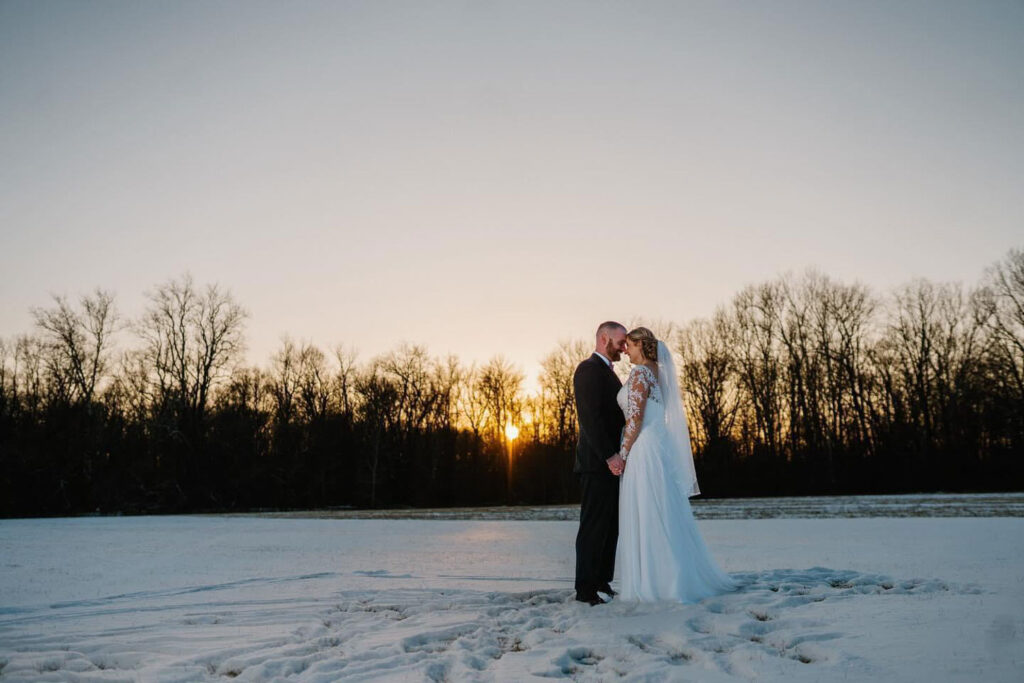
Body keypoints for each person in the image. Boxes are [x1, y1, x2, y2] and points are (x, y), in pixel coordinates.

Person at [613, 326, 739, 603]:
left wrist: (622, 453)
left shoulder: (640, 373)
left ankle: (657, 582)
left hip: (644, 449)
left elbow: (634, 420)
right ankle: (672, 576)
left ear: (641, 347)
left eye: (630, 346)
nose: (626, 350)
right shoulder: (659, 373)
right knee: (663, 511)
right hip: (658, 447)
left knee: (649, 512)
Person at [572, 321, 627, 606]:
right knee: (594, 526)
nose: (624, 347)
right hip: (597, 463)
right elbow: (589, 419)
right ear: (604, 338)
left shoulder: (608, 373)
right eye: (620, 341)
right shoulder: (588, 370)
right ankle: (586, 589)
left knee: (611, 526)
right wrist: (609, 455)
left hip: (614, 463)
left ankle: (602, 581)